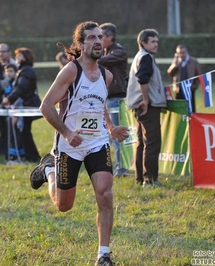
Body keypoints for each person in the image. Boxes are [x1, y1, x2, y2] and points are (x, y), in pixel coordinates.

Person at [28, 21, 129, 266]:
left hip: (97, 142)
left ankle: (103, 255)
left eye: (100, 37)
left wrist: (111, 128)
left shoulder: (107, 75)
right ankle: (49, 169)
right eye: (92, 38)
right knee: (64, 205)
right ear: (81, 44)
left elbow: (99, 105)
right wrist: (65, 132)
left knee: (105, 194)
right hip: (69, 145)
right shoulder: (71, 71)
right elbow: (46, 106)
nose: (98, 41)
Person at [126, 29, 167, 187]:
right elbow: (142, 79)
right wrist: (145, 99)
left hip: (141, 106)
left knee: (142, 144)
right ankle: (150, 180)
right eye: (153, 42)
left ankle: (141, 179)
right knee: (152, 143)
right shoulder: (146, 58)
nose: (156, 44)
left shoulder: (139, 56)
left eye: (157, 41)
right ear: (143, 43)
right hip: (147, 106)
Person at [98, 22, 129, 177]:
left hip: (116, 98)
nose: (98, 39)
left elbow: (101, 61)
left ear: (110, 37)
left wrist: (90, 56)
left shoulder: (118, 51)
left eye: (100, 36)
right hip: (107, 98)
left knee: (117, 135)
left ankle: (122, 168)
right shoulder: (107, 51)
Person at [3, 47, 41, 163]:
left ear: (24, 57)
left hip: (27, 105)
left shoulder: (26, 70)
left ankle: (33, 157)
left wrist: (8, 99)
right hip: (25, 104)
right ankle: (32, 157)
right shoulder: (24, 70)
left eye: (18, 56)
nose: (16, 58)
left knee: (25, 132)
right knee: (25, 132)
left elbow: (21, 88)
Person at [0, 43, 17, 158]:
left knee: (12, 130)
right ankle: (1, 151)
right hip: (0, 103)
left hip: (13, 103)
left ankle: (13, 151)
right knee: (2, 129)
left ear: (9, 52)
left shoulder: (16, 66)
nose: (1, 54)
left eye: (3, 51)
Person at [167, 44, 201, 113]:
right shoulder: (176, 61)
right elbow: (170, 73)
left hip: (190, 88)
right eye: (179, 53)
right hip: (178, 89)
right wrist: (175, 65)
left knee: (191, 108)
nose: (181, 55)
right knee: (178, 108)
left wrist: (194, 86)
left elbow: (199, 75)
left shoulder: (193, 62)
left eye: (183, 52)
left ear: (187, 52)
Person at [3, 63, 26, 164]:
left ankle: (16, 157)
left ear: (16, 72)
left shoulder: (16, 83)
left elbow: (18, 100)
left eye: (11, 71)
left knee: (16, 137)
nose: (8, 73)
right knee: (11, 136)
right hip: (9, 113)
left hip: (16, 115)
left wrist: (15, 115)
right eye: (7, 71)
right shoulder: (7, 83)